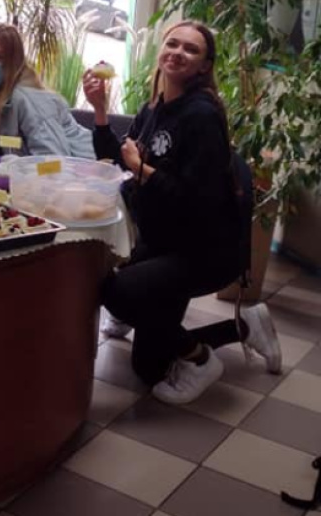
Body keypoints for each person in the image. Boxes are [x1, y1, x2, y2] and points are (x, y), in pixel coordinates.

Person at [82, 21, 281, 405]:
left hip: (205, 251)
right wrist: (101, 113)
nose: (177, 52)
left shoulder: (201, 116)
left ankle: (201, 360)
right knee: (149, 367)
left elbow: (195, 201)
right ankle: (244, 326)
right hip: (164, 241)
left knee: (119, 293)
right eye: (172, 43)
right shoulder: (154, 108)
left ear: (205, 66)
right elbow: (118, 162)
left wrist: (142, 170)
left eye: (191, 49)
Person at [0, 23, 94, 160]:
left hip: (84, 170)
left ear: (12, 62)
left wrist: (9, 165)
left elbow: (54, 164)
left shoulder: (29, 99)